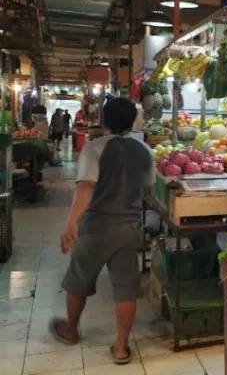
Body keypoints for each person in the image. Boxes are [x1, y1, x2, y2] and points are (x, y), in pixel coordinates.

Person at [49, 98, 154, 365]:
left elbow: (86, 187)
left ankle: (71, 330)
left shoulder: (94, 148)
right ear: (132, 121)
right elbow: (148, 191)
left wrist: (71, 224)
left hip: (96, 227)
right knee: (125, 287)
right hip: (129, 227)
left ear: (105, 121)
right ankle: (121, 348)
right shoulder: (145, 151)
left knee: (79, 280)